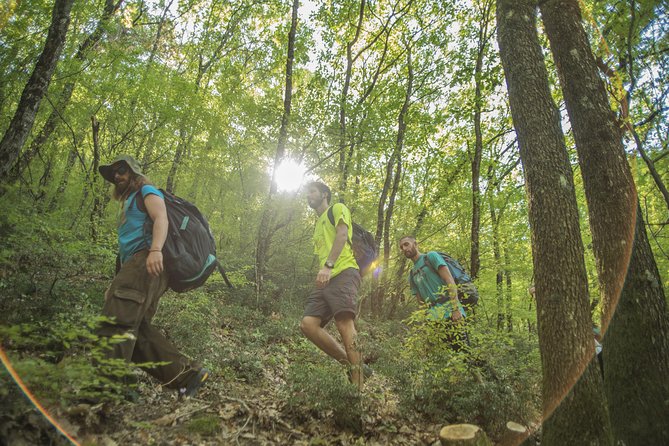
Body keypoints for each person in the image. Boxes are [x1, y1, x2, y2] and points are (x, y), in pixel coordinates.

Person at [97, 154, 208, 398]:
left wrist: (156, 250)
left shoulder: (146, 190)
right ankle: (187, 376)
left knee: (115, 321)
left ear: (134, 173)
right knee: (137, 329)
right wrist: (116, 283)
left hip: (145, 261)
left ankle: (106, 388)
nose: (117, 176)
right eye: (114, 173)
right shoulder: (128, 201)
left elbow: (161, 218)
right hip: (137, 266)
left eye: (122, 170)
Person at [299, 181, 366, 389]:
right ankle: (350, 364)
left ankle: (358, 386)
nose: (308, 195)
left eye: (312, 191)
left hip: (344, 271)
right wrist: (323, 271)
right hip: (325, 278)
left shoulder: (337, 209)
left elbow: (342, 235)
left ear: (324, 194)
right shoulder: (318, 224)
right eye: (307, 192)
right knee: (308, 325)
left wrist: (328, 265)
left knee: (344, 323)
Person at [398, 235, 468, 352]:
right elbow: (420, 302)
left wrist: (455, 309)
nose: (404, 248)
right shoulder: (412, 274)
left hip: (451, 312)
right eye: (401, 247)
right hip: (434, 320)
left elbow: (449, 280)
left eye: (406, 244)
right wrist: (426, 321)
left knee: (463, 353)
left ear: (415, 244)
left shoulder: (431, 257)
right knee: (444, 357)